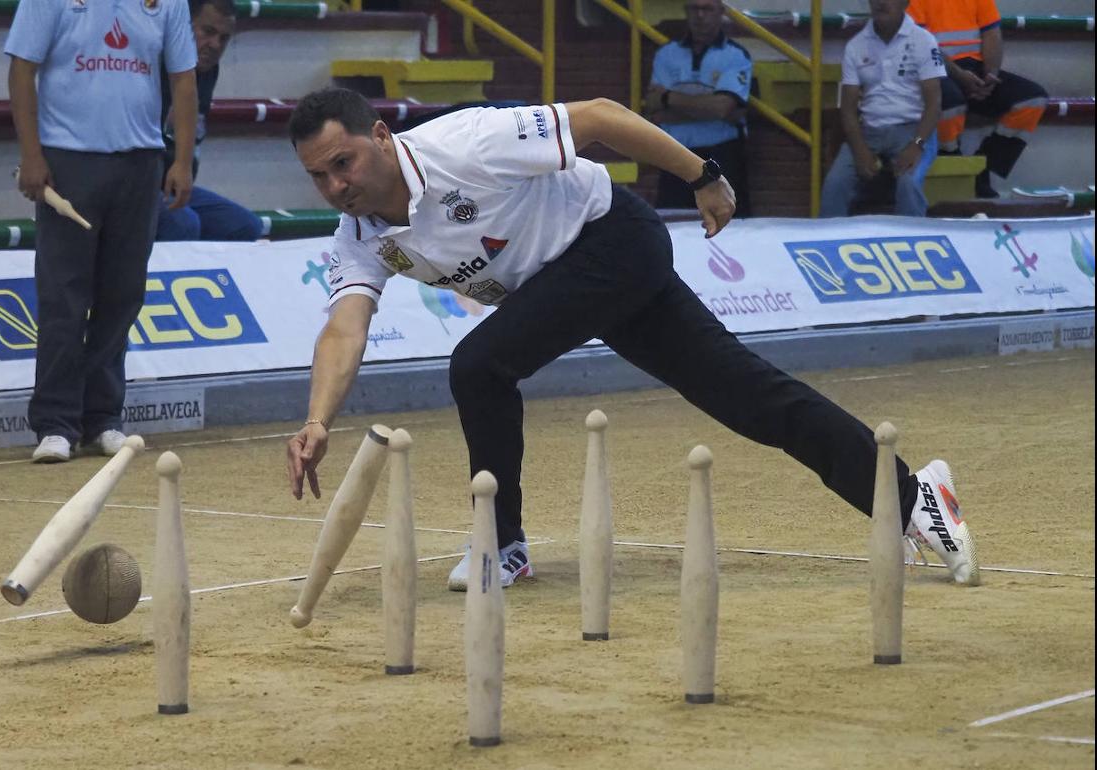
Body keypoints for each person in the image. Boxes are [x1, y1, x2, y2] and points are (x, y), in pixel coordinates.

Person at [282, 88, 980, 592]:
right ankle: (916, 497)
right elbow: (345, 328)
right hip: (575, 279)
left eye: (343, 162)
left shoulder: (463, 144)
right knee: (747, 397)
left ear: (378, 135)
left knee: (479, 364)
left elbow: (603, 118)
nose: (337, 184)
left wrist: (701, 176)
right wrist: (317, 419)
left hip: (615, 240)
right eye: (320, 176)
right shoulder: (362, 238)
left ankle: (502, 544)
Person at [6, 0, 197, 463]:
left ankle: (104, 418)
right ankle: (55, 423)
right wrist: (32, 154)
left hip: (139, 161)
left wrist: (182, 158)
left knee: (122, 295)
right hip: (68, 160)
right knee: (63, 296)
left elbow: (183, 77)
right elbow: (20, 70)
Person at [908, 0, 1048, 198]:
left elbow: (992, 34)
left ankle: (982, 169)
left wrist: (991, 75)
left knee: (1033, 100)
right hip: (933, 70)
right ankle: (953, 165)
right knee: (949, 102)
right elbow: (922, 46)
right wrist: (960, 76)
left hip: (974, 68)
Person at [820, 0, 944, 218]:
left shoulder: (924, 41)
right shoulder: (856, 46)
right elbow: (847, 109)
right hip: (869, 131)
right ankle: (826, 243)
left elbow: (934, 103)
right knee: (834, 183)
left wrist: (916, 145)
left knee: (909, 184)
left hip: (914, 131)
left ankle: (912, 244)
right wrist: (859, 150)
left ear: (905, 2)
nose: (880, 2)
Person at [155, 0, 263, 242]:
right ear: (183, 25)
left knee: (245, 226)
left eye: (224, 38)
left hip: (173, 186)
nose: (215, 45)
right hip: (139, 184)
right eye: (208, 32)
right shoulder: (152, 63)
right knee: (183, 224)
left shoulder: (207, 71)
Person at [642, 0, 752, 214]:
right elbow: (654, 109)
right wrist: (708, 106)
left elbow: (722, 108)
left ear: (721, 12)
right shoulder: (667, 54)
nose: (700, 15)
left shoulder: (736, 55)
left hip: (722, 156)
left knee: (728, 227)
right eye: (694, 8)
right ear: (686, 11)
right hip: (676, 156)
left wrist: (668, 98)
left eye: (707, 9)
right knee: (674, 229)